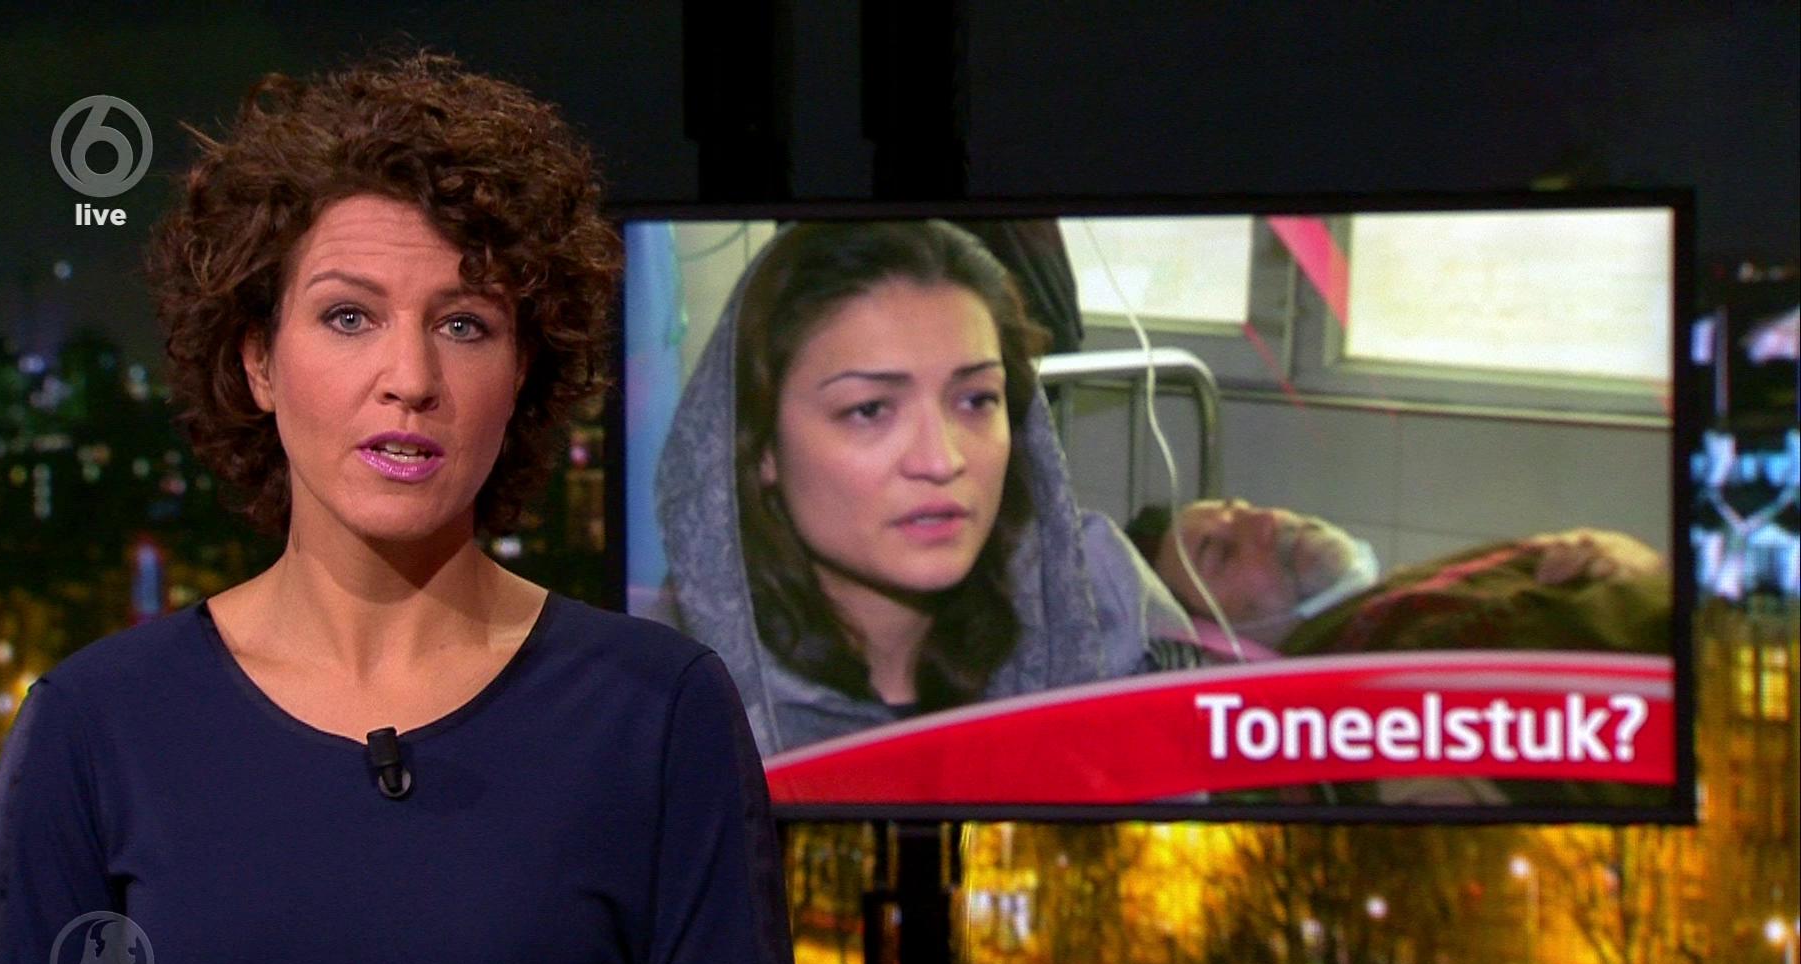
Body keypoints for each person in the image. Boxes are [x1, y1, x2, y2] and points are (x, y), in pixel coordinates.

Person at [0, 54, 795, 964]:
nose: (411, 378)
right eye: (349, 317)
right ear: (258, 360)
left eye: (464, 324)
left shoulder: (658, 716)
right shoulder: (94, 731)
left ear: (523, 369)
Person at [653, 221, 1200, 757]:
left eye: (976, 400)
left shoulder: (1097, 596)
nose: (942, 461)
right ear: (761, 446)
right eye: (870, 410)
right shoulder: (669, 687)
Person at [1130, 498, 1668, 657]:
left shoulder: (1402, 596)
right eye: (1221, 554)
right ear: (1220, 642)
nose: (1266, 521)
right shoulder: (1359, 712)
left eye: (1243, 508)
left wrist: (1628, 557)